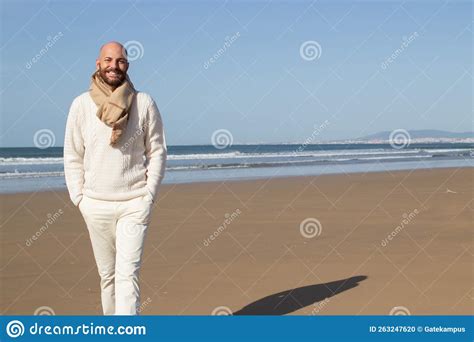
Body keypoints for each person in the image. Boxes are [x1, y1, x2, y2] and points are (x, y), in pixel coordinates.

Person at [63, 41, 167, 315]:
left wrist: (149, 194)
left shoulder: (144, 103)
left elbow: (157, 150)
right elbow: (73, 154)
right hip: (95, 205)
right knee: (108, 276)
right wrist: (79, 198)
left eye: (120, 61)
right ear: (98, 64)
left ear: (127, 66)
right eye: (108, 60)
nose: (114, 65)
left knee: (126, 275)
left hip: (134, 202)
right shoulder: (81, 105)